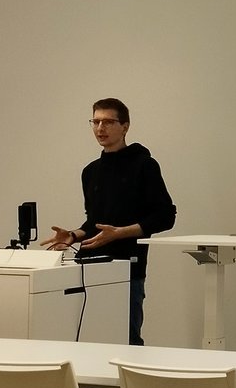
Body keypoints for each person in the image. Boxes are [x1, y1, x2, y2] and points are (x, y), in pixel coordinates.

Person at [42, 98, 176, 346]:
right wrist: (72, 235)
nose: (100, 128)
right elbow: (94, 223)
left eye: (108, 122)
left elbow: (165, 216)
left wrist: (120, 233)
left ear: (125, 126)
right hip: (89, 267)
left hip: (127, 269)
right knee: (89, 339)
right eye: (95, 121)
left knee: (126, 341)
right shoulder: (91, 171)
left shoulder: (144, 165)